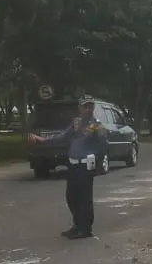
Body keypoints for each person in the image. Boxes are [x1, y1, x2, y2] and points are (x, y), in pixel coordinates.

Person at [28, 95, 107, 239]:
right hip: (73, 164)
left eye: (88, 106)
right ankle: (77, 225)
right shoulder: (76, 123)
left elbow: (103, 145)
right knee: (71, 197)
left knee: (84, 199)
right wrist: (43, 140)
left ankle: (85, 229)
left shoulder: (97, 125)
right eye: (83, 106)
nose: (85, 108)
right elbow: (63, 137)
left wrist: (97, 162)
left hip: (86, 166)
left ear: (92, 108)